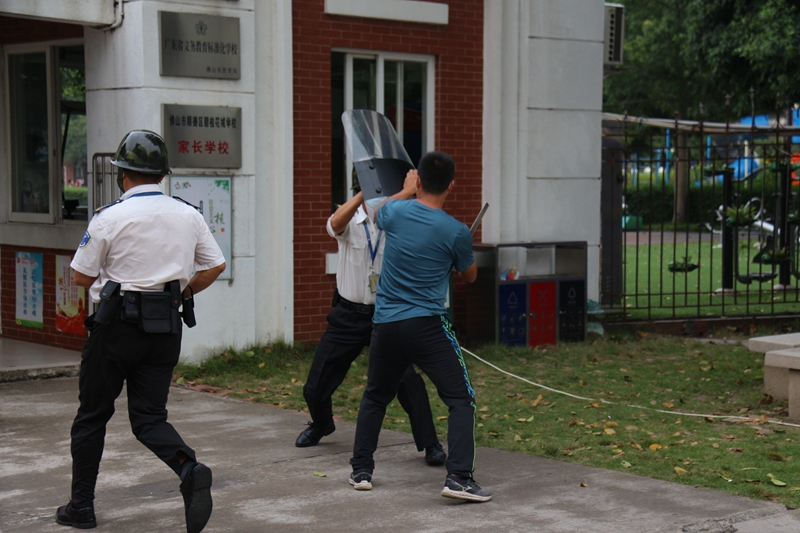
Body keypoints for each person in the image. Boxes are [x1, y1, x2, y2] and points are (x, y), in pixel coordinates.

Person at [56, 130, 226, 532]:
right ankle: (188, 468)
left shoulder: (109, 217)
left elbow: (80, 276)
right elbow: (215, 265)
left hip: (116, 327)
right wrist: (180, 291)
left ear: (122, 174)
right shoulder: (188, 214)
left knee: (93, 416)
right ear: (162, 175)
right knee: (149, 418)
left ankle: (82, 507)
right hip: (165, 326)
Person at [349, 151, 491, 502]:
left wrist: (405, 190)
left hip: (386, 324)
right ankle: (458, 478)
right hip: (427, 325)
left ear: (418, 180)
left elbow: (378, 212)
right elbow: (470, 276)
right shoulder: (456, 231)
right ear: (451, 186)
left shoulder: (397, 212)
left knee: (376, 395)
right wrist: (458, 256)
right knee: (461, 399)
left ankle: (361, 470)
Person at [297, 176, 447, 468]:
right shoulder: (350, 219)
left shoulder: (400, 221)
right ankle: (322, 423)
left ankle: (430, 443)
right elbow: (334, 224)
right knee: (315, 387)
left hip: (387, 315)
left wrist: (408, 193)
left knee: (408, 382)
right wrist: (360, 196)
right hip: (348, 316)